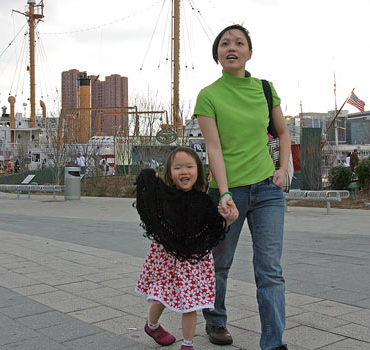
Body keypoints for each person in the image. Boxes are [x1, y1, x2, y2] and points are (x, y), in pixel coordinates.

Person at [194, 24, 291, 350]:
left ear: (249, 52)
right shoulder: (209, 95)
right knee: (220, 263)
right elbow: (214, 148)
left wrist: (282, 170)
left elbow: (282, 132)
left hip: (267, 192)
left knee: (270, 271)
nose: (231, 48)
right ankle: (216, 320)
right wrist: (223, 192)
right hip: (227, 192)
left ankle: (274, 343)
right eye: (225, 44)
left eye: (239, 43)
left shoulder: (265, 88)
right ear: (217, 53)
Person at [134, 147, 238, 350]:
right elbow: (150, 210)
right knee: (163, 295)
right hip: (167, 258)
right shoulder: (166, 197)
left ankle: (187, 345)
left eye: (190, 166)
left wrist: (229, 221)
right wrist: (148, 180)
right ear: (170, 172)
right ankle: (152, 326)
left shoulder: (204, 201)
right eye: (178, 167)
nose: (184, 171)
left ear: (198, 170)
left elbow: (213, 230)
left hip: (193, 262)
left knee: (191, 304)